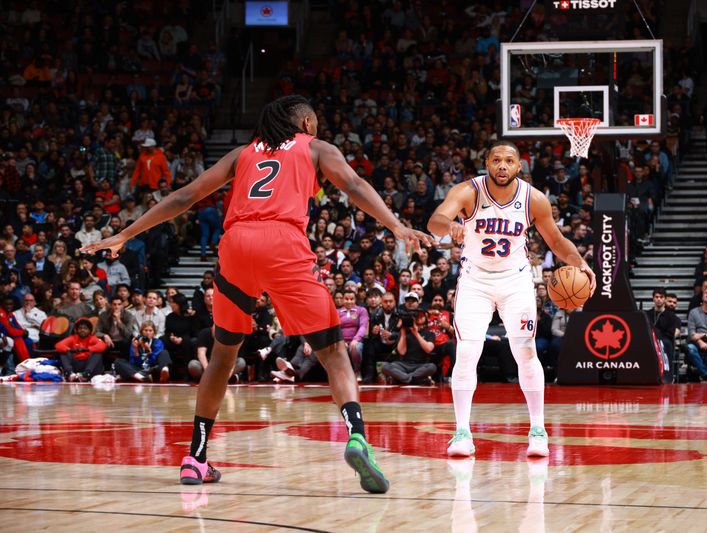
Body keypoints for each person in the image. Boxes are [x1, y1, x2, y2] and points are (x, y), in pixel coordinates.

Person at [80, 94, 432, 494]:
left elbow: (185, 196)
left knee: (222, 355)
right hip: (282, 242)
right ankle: (356, 436)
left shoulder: (240, 154)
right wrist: (397, 226)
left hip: (236, 245)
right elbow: (352, 184)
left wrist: (126, 233)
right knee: (333, 352)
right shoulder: (317, 148)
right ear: (306, 123)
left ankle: (195, 457)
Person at [428, 140, 596, 458]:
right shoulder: (468, 191)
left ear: (519, 166)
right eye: (496, 160)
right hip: (474, 281)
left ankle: (537, 430)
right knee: (466, 353)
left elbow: (557, 242)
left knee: (525, 351)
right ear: (486, 163)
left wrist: (581, 264)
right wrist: (450, 226)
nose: (502, 166)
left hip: (516, 281)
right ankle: (462, 432)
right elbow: (434, 220)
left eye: (508, 161)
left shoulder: (534, 199)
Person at [380, 309, 437, 385]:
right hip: (403, 365)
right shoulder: (405, 332)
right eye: (416, 316)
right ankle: (415, 380)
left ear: (426, 318)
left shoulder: (429, 334)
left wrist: (416, 333)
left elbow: (428, 349)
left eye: (421, 316)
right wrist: (403, 333)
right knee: (384, 366)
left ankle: (402, 379)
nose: (419, 318)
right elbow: (402, 352)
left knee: (432, 367)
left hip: (420, 365)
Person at [55, 316, 107, 382]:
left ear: (89, 330)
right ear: (77, 330)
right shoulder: (73, 338)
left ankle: (85, 374)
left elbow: (103, 345)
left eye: (85, 328)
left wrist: (88, 349)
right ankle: (70, 373)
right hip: (76, 365)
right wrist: (69, 350)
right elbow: (58, 345)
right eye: (80, 328)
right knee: (63, 351)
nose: (82, 330)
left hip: (90, 367)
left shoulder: (92, 338)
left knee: (98, 352)